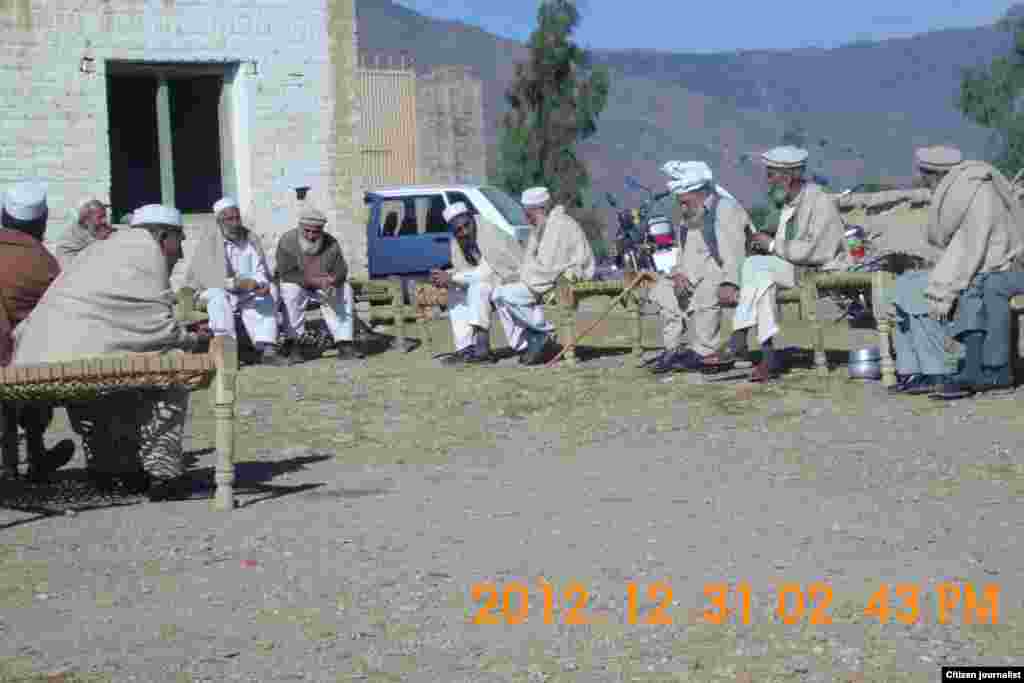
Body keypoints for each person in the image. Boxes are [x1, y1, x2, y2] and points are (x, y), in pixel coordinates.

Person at [13, 204, 211, 499]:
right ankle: (163, 472)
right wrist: (193, 340)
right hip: (69, 370)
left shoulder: (102, 248)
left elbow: (123, 324)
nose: (180, 253)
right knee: (173, 368)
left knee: (114, 366)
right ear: (162, 235)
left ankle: (111, 468)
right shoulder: (147, 250)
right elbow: (156, 330)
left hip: (35, 365)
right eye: (178, 242)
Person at [889, 147, 1024, 399]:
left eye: (923, 175)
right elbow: (957, 244)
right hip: (974, 262)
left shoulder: (975, 191)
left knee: (943, 289)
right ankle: (914, 370)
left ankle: (942, 369)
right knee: (905, 283)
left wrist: (949, 283)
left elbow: (975, 245)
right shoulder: (956, 193)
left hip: (991, 262)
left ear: (932, 175)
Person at [732, 146, 846, 382]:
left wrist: (772, 246)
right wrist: (757, 241)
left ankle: (740, 332)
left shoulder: (819, 201)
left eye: (771, 175)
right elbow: (768, 233)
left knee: (757, 267)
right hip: (783, 269)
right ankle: (768, 357)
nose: (768, 181)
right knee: (762, 279)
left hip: (813, 269)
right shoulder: (781, 202)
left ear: (788, 177)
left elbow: (816, 250)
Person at [645, 161, 751, 374]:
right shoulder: (687, 219)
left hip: (727, 273)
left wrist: (730, 282)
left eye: (685, 202)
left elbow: (736, 254)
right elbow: (683, 254)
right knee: (662, 291)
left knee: (708, 288)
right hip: (693, 276)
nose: (682, 207)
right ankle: (672, 349)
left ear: (702, 194)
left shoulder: (725, 209)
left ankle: (706, 353)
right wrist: (678, 274)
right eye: (680, 203)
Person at [0, 183, 75, 480]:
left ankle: (9, 466)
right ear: (42, 223)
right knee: (35, 353)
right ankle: (35, 452)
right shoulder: (44, 263)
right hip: (26, 362)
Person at [491, 187, 596, 365]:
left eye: (528, 213)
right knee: (498, 294)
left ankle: (544, 334)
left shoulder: (560, 225)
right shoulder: (540, 227)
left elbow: (551, 267)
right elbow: (533, 263)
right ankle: (529, 343)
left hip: (565, 277)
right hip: (544, 279)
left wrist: (524, 274)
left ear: (538, 209)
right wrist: (520, 274)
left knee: (505, 294)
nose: (526, 218)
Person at [182, 197, 286, 366]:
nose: (235, 223)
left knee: (271, 291)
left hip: (245, 292)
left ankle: (267, 348)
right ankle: (227, 352)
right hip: (213, 291)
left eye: (237, 218)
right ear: (219, 221)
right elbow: (208, 279)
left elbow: (259, 269)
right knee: (218, 298)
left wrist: (261, 284)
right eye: (230, 219)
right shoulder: (209, 242)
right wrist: (237, 284)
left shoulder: (250, 239)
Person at [429, 202, 523, 364]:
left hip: (510, 278)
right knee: (455, 292)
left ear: (473, 219)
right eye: (458, 230)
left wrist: (452, 277)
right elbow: (464, 272)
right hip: (486, 282)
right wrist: (444, 278)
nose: (464, 232)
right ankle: (465, 348)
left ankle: (482, 347)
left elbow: (488, 271)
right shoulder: (457, 242)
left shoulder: (488, 232)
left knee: (478, 289)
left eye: (467, 225)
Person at [275, 206, 364, 362]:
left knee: (344, 289)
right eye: (307, 231)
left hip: (323, 286)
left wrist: (333, 282)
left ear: (321, 230)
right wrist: (314, 281)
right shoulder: (287, 241)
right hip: (299, 284)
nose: (311, 235)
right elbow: (286, 273)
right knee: (290, 291)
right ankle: (294, 342)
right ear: (300, 227)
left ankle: (344, 343)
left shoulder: (331, 243)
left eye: (315, 231)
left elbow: (341, 269)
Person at [54, 199, 115, 268]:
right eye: (100, 217)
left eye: (105, 216)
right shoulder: (69, 240)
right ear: (86, 220)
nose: (104, 221)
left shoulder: (98, 227)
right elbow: (69, 269)